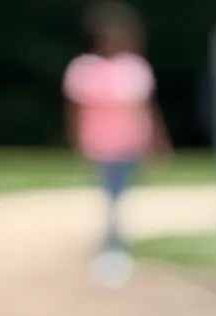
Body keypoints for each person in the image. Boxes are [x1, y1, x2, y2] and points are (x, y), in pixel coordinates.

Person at [63, 3, 170, 287]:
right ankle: (112, 243)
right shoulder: (84, 69)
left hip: (130, 142)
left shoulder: (135, 69)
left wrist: (157, 142)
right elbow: (75, 111)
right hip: (99, 143)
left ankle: (115, 241)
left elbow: (147, 110)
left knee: (120, 194)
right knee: (109, 194)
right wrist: (77, 142)